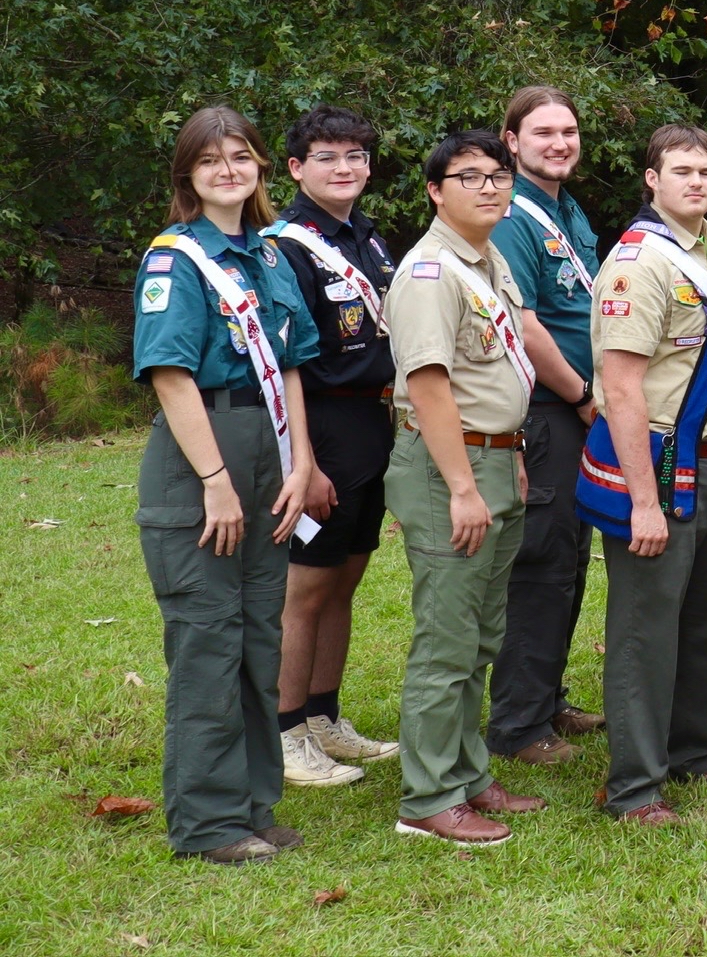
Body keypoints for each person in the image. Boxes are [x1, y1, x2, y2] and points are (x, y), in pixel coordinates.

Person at [132, 107, 320, 863]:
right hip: (201, 458)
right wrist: (214, 480)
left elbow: (292, 365)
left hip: (270, 456)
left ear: (260, 166)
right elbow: (170, 375)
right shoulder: (175, 260)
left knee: (257, 637)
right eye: (210, 160)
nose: (227, 171)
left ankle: (252, 805)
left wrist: (301, 462)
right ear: (189, 174)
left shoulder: (269, 256)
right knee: (209, 640)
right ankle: (208, 823)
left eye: (240, 156)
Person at [579, 125, 707, 825]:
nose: (697, 182)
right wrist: (643, 502)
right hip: (654, 462)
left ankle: (694, 751)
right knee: (645, 630)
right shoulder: (638, 263)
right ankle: (634, 787)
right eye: (682, 171)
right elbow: (621, 388)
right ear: (652, 179)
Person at [383, 129, 544, 845]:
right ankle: (428, 796)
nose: (489, 187)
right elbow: (428, 388)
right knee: (447, 639)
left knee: (481, 633)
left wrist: (510, 454)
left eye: (498, 175)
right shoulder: (429, 273)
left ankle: (467, 772)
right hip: (450, 468)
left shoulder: (486, 259)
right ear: (434, 191)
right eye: (469, 176)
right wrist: (461, 487)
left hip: (493, 459)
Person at [268, 106, 400, 789]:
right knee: (307, 585)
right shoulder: (287, 247)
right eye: (327, 157)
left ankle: (323, 715)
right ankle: (284, 730)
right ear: (297, 168)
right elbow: (283, 361)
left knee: (346, 575)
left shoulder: (368, 239)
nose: (344, 168)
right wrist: (304, 461)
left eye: (355, 155)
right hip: (320, 424)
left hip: (371, 423)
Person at [486, 86, 607, 765]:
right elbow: (525, 325)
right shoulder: (512, 215)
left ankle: (548, 697)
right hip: (548, 409)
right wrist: (584, 394)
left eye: (569, 131)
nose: (559, 143)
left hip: (579, 408)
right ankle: (519, 724)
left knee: (570, 558)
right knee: (540, 565)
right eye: (543, 133)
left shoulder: (567, 208)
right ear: (512, 142)